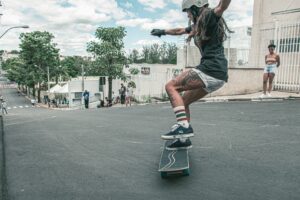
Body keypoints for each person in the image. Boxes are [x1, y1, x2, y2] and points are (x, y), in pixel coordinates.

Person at [151, 0, 232, 150]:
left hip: (210, 69)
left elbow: (222, 6)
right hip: (218, 75)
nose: (187, 14)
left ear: (196, 7)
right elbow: (179, 31)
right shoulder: (197, 25)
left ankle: (183, 126)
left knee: (171, 86)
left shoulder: (208, 16)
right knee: (184, 101)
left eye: (188, 11)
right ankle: (183, 140)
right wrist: (162, 32)